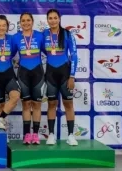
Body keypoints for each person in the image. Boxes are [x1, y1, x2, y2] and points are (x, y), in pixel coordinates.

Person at [43, 9, 78, 146]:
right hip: (50, 73)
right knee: (52, 104)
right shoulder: (44, 34)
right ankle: (51, 134)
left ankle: (71, 135)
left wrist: (72, 76)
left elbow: (74, 55)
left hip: (65, 73)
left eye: (55, 18)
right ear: (47, 20)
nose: (52, 20)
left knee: (68, 104)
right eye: (50, 18)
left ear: (59, 19)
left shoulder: (67, 34)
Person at [12, 12, 45, 145]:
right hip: (23, 73)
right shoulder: (15, 38)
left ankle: (35, 135)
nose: (26, 23)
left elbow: (48, 51)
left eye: (28, 20)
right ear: (20, 23)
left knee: (36, 104)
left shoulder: (40, 36)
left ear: (32, 21)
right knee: (26, 104)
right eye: (23, 21)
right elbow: (9, 55)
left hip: (38, 73)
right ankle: (26, 135)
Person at [0, 15, 21, 130]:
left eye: (4, 26)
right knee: (0, 106)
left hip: (9, 73)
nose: (1, 28)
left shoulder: (11, 39)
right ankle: (2, 134)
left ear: (7, 27)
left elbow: (12, 53)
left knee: (15, 96)